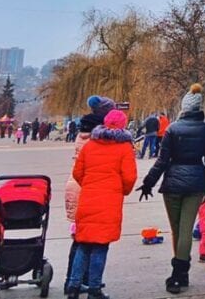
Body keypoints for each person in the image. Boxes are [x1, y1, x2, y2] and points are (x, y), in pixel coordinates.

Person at [139, 83, 205, 295]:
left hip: (172, 183)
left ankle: (178, 274)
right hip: (195, 183)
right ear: (199, 108)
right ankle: (181, 273)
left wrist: (148, 182)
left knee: (177, 230)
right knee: (186, 230)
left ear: (183, 108)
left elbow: (162, 161)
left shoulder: (173, 129)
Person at [66, 108, 137, 299]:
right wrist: (121, 190)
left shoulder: (90, 145)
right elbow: (129, 177)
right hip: (109, 202)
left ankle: (73, 286)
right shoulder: (124, 148)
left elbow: (77, 172)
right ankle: (94, 288)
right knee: (100, 245)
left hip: (88, 199)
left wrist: (89, 185)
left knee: (83, 244)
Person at [65, 96, 116, 295]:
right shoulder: (97, 140)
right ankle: (78, 280)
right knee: (85, 240)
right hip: (87, 189)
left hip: (75, 186)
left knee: (80, 237)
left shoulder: (83, 133)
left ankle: (74, 281)